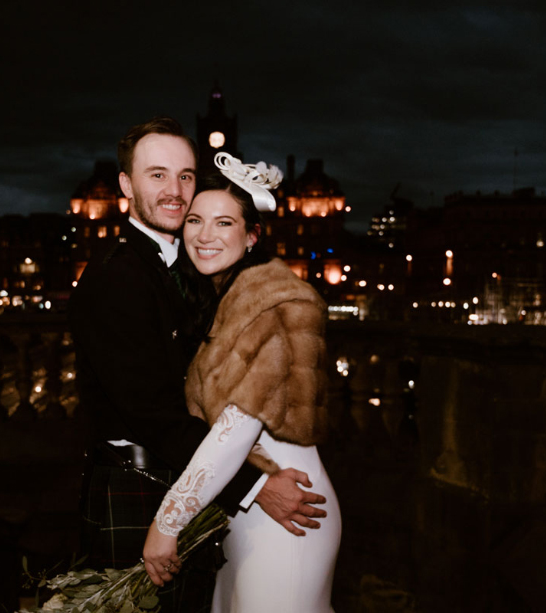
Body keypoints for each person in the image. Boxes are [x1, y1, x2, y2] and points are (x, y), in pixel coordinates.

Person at [68, 118, 328, 609]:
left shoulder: (193, 271)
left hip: (196, 483)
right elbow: (151, 413)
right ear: (126, 184)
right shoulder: (117, 277)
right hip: (141, 484)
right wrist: (253, 486)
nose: (174, 191)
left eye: (185, 176)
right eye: (157, 175)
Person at [142, 153, 341, 612]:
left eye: (224, 223)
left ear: (252, 236)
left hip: (292, 515)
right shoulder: (228, 301)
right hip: (249, 518)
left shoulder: (271, 303)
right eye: (194, 220)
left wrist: (167, 524)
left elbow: (233, 434)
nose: (205, 235)